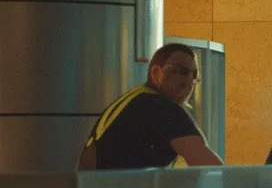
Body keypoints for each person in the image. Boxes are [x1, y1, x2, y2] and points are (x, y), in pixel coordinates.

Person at [78, 42, 223, 170]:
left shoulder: (132, 100)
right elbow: (211, 169)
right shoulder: (162, 108)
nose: (188, 82)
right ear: (155, 73)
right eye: (181, 72)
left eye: (194, 75)